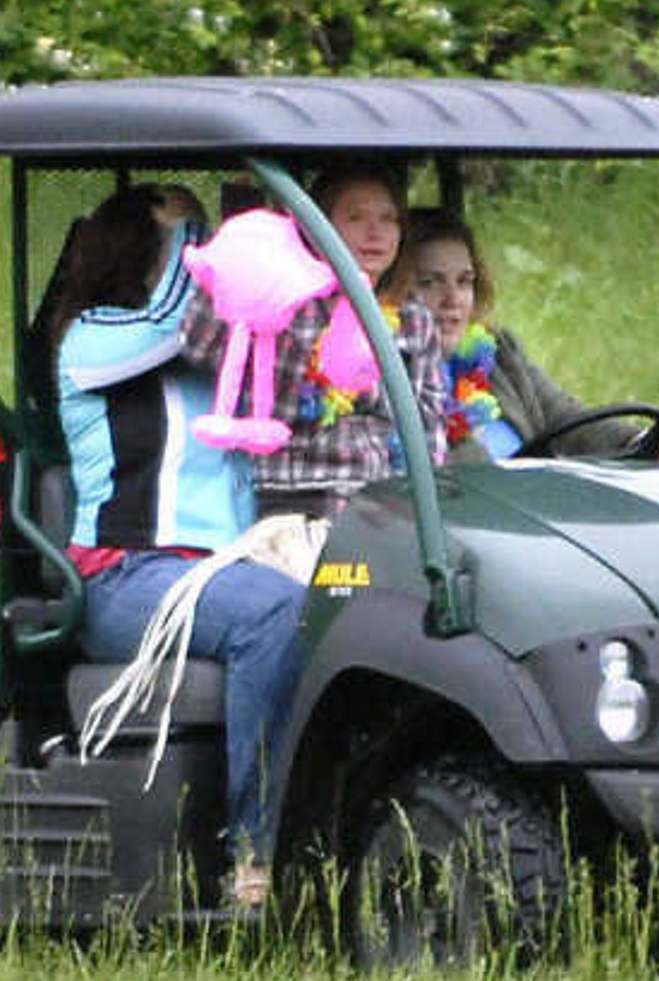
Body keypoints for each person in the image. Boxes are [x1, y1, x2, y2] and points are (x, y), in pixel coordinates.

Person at [41, 182, 309, 910]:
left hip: (228, 565)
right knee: (273, 615)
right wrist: (216, 238)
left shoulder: (213, 354)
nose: (201, 257)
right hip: (129, 575)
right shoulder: (92, 341)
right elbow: (177, 318)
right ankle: (255, 852)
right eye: (183, 240)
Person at [395, 208, 659, 464]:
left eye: (464, 282)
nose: (453, 299)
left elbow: (565, 417)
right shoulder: (386, 376)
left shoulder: (498, 352)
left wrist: (645, 441)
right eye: (429, 282)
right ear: (396, 288)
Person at [255, 164, 449, 519]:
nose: (375, 232)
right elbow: (278, 412)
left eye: (388, 219)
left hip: (385, 501)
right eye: (356, 218)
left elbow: (429, 425)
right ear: (319, 230)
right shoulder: (289, 307)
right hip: (298, 496)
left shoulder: (413, 318)